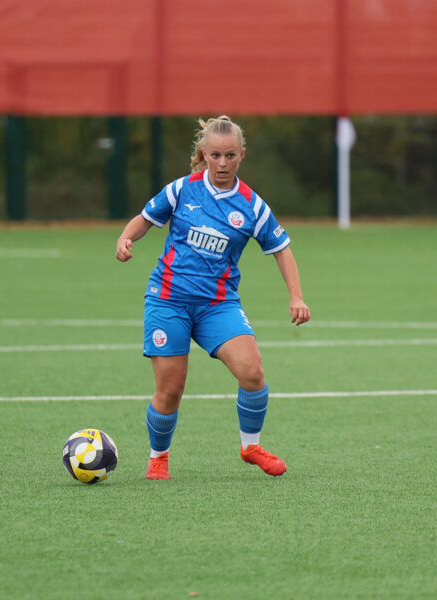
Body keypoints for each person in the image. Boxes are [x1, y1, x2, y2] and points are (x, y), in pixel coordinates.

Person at [115, 115, 311, 480]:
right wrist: (126, 238)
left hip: (217, 305)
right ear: (203, 154)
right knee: (170, 391)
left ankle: (250, 446)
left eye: (230, 155)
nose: (222, 163)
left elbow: (281, 249)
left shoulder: (252, 205)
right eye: (216, 155)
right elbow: (145, 218)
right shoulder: (182, 190)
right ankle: (159, 457)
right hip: (168, 301)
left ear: (242, 156)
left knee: (252, 372)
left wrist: (296, 296)